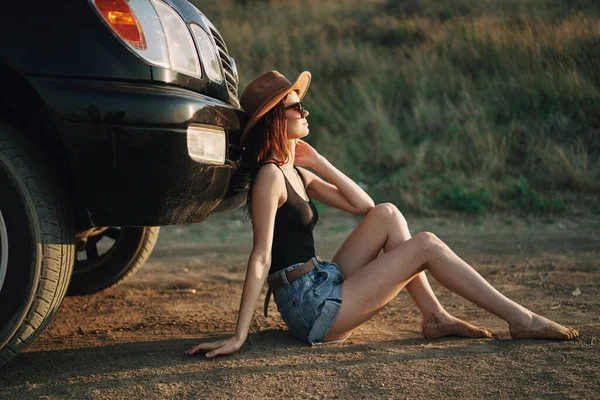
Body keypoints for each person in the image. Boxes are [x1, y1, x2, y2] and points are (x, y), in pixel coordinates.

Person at [186, 70, 579, 358]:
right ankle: (520, 319)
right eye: (296, 106)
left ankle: (435, 315)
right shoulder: (270, 176)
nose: (305, 111)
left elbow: (365, 206)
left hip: (323, 278)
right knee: (425, 244)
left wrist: (321, 162)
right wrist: (239, 336)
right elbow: (260, 257)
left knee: (389, 214)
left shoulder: (295, 172)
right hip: (311, 308)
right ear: (277, 118)